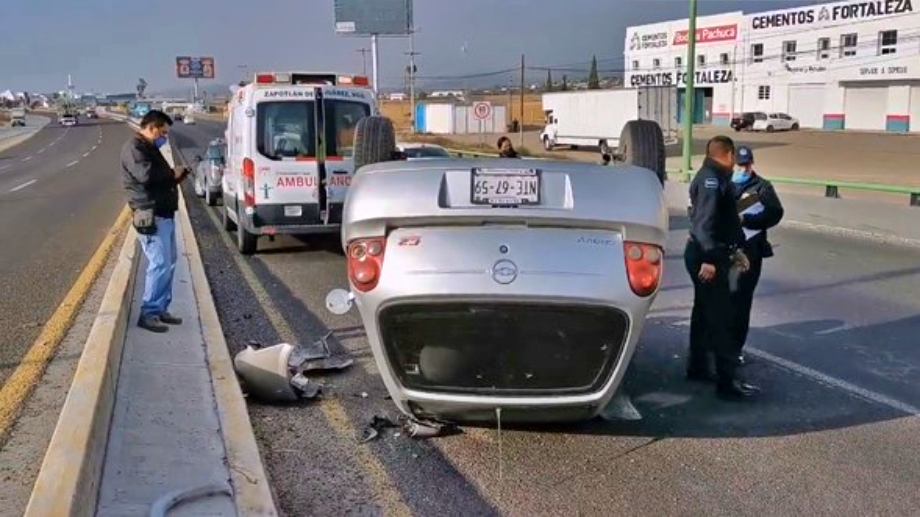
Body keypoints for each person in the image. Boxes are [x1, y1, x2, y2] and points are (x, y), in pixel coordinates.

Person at [684, 135, 759, 400]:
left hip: (709, 253)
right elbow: (705, 223)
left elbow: (717, 221)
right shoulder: (712, 180)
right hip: (708, 257)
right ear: (727, 155)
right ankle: (727, 384)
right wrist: (711, 260)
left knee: (703, 314)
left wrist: (735, 249)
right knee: (722, 318)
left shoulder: (712, 176)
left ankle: (698, 367)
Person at [121, 110, 191, 333]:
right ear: (151, 128)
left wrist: (175, 175)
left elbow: (157, 175)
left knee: (169, 263)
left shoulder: (150, 147)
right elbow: (146, 176)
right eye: (162, 132)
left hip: (164, 213)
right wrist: (172, 174)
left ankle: (160, 308)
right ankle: (148, 313)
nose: (164, 137)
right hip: (151, 214)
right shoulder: (135, 148)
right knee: (159, 264)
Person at [730, 146, 784, 365]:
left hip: (751, 251)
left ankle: (734, 349)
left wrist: (749, 221)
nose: (744, 168)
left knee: (741, 302)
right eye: (740, 165)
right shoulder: (721, 183)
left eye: (747, 164)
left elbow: (775, 213)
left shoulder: (762, 187)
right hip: (725, 251)